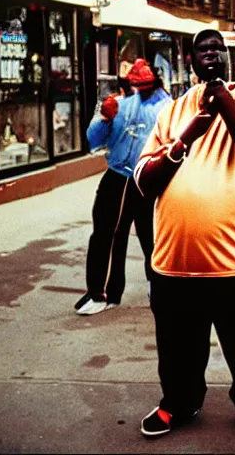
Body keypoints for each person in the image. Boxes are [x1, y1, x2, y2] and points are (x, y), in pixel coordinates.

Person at [134, 29, 235, 439]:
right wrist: (187, 136)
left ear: (228, 56)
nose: (212, 54)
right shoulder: (173, 111)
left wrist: (228, 110)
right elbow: (145, 181)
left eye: (219, 48)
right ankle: (178, 403)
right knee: (177, 344)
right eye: (204, 49)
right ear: (191, 60)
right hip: (175, 259)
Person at [75, 58, 172, 315]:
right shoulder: (119, 104)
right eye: (133, 84)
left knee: (152, 237)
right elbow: (93, 141)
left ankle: (158, 285)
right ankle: (101, 292)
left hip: (149, 177)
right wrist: (105, 118)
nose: (137, 89)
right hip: (117, 175)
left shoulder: (169, 109)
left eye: (142, 84)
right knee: (105, 234)